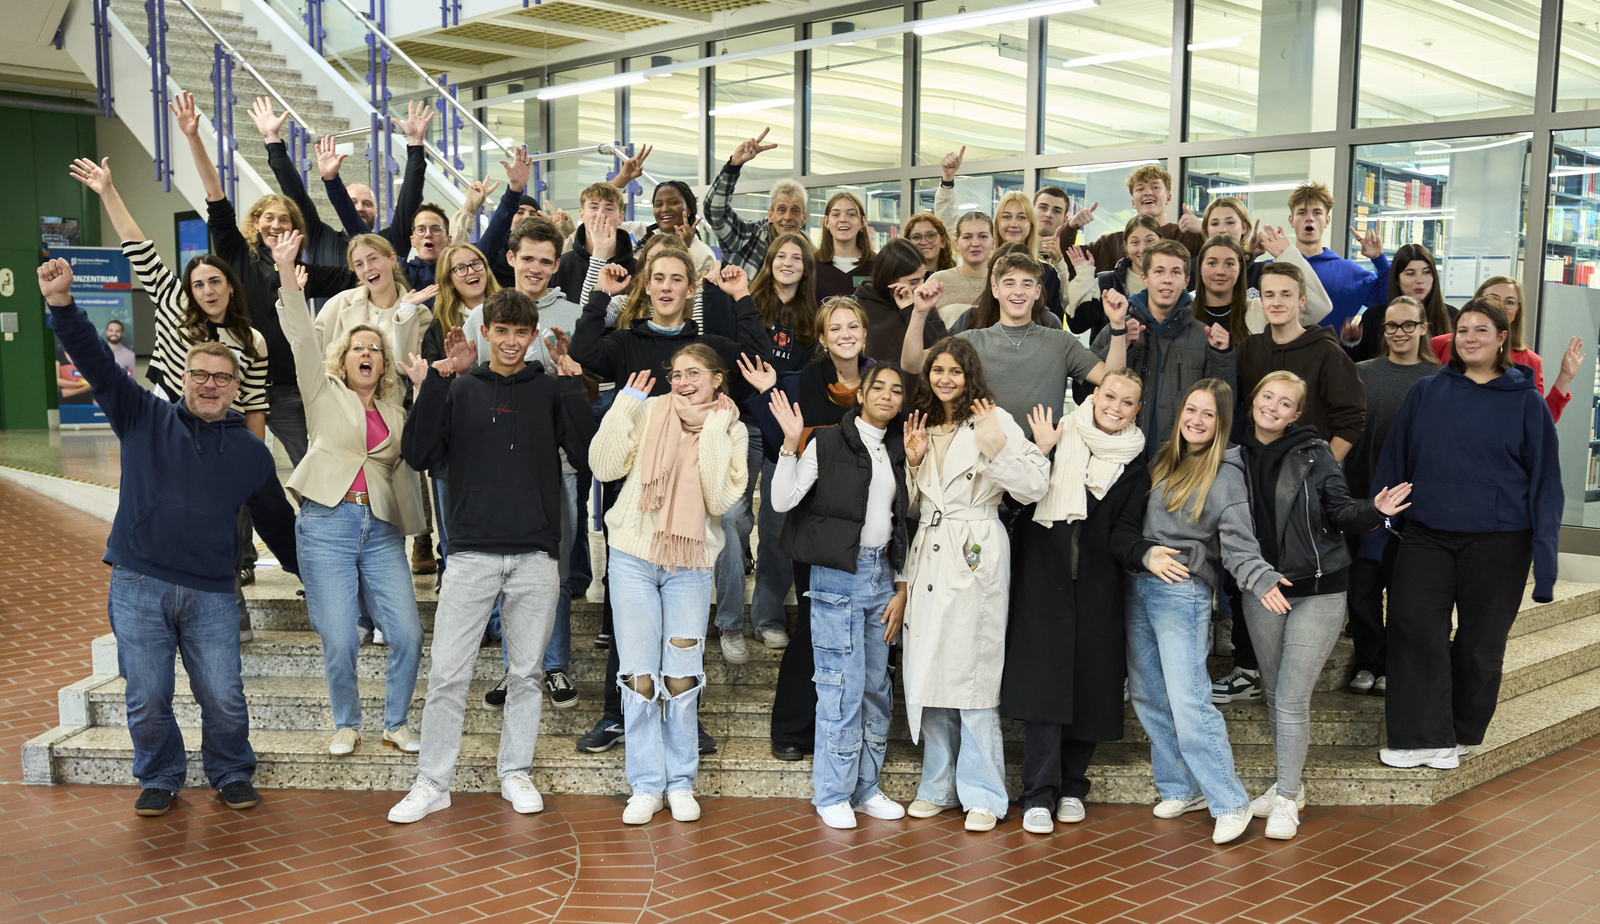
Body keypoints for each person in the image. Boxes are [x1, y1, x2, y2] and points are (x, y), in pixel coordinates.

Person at [38, 258, 300, 818]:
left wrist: (320, 579)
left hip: (211, 591)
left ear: (236, 387)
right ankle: (159, 776)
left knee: (225, 698)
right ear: (183, 377)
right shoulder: (143, 417)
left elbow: (278, 525)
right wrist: (62, 305)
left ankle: (230, 771)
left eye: (221, 378)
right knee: (147, 697)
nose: (210, 385)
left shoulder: (251, 453)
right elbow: (97, 364)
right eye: (200, 375)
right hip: (139, 581)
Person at [390, 287, 595, 824]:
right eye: (500, 331)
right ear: (485, 333)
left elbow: (586, 453)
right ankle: (433, 782)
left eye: (519, 332)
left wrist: (573, 382)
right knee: (447, 674)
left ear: (532, 338)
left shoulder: (551, 389)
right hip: (472, 553)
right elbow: (418, 453)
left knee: (526, 674)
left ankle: (515, 772)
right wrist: (438, 380)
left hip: (534, 554)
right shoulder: (459, 389)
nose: (509, 341)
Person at [570, 245, 766, 754]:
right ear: (645, 285)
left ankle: (685, 716)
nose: (665, 286)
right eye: (656, 277)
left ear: (689, 288)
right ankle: (617, 715)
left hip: (690, 509)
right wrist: (601, 298)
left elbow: (757, 358)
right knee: (625, 620)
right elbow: (583, 352)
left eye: (676, 278)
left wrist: (742, 298)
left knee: (682, 628)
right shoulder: (625, 340)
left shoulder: (707, 347)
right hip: (636, 500)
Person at [1374, 297, 1562, 771]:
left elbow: (1546, 484)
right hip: (1426, 534)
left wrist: (1546, 568)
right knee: (1413, 627)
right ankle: (1419, 739)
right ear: (1451, 339)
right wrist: (1379, 532)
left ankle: (1458, 732)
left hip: (1500, 542)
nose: (1471, 338)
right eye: (1462, 330)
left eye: (1482, 330)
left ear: (1503, 340)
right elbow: (1394, 463)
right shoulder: (1427, 392)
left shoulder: (1526, 402)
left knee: (1481, 643)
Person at [270, 230, 427, 757]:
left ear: (384, 364)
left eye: (375, 349)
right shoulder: (321, 390)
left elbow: (426, 445)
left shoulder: (395, 411)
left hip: (380, 529)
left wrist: (427, 386)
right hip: (326, 525)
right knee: (340, 638)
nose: (366, 353)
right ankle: (347, 722)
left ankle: (397, 722)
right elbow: (297, 337)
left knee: (406, 634)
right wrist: (287, 274)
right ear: (344, 356)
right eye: (358, 347)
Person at [1236, 370, 1409, 840]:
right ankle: (1286, 783)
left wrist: (1376, 511)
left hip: (1320, 587)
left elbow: (1341, 511)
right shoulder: (1231, 453)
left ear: (1296, 413)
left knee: (1291, 697)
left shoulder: (1314, 453)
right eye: (1266, 395)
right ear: (1254, 399)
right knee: (1274, 696)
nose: (1273, 406)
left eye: (1285, 402)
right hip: (1262, 589)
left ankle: (1288, 799)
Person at [1125, 377, 1288, 845]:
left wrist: (1260, 579)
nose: (1196, 420)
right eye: (1190, 411)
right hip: (1139, 588)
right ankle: (1182, 786)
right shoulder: (1162, 460)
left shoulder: (1225, 473)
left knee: (1190, 701)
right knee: (1149, 696)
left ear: (1221, 423)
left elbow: (1238, 545)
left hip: (1183, 594)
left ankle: (1229, 801)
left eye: (1208, 414)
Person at [589, 348, 749, 825]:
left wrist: (715, 429)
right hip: (634, 558)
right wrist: (624, 404)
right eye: (676, 374)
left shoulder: (732, 429)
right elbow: (603, 466)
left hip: (691, 564)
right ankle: (645, 783)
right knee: (639, 676)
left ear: (717, 379)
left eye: (694, 374)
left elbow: (719, 497)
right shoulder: (650, 410)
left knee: (680, 677)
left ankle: (680, 781)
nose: (682, 382)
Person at [900, 337, 1051, 832]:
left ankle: (984, 793)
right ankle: (938, 786)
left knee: (974, 675)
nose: (945, 379)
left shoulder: (993, 419)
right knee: (934, 674)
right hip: (931, 552)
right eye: (937, 370)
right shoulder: (922, 423)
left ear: (971, 376)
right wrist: (915, 463)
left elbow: (1034, 486)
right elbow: (914, 507)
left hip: (975, 549)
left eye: (955, 371)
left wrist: (994, 441)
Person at [173, 91, 355, 467]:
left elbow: (361, 275)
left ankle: (315, 528)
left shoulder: (301, 271)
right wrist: (193, 136)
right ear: (255, 223)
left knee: (314, 472)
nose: (275, 224)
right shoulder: (235, 254)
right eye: (268, 217)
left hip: (289, 390)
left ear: (296, 229)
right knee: (233, 477)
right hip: (235, 386)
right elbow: (214, 194)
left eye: (285, 220)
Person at [1002, 369, 1149, 834]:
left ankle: (1070, 786)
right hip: (1043, 582)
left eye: (1127, 402)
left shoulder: (1135, 463)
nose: (1115, 407)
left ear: (1137, 410)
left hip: (1098, 587)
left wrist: (1143, 554)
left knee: (1090, 687)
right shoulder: (1059, 433)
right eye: (1110, 396)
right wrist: (1039, 453)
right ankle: (1037, 795)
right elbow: (1013, 501)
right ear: (1094, 394)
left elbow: (1125, 530)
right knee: (1045, 690)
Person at [766, 363, 911, 829]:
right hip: (836, 577)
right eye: (878, 388)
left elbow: (904, 522)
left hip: (880, 576)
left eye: (896, 390)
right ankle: (831, 792)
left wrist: (901, 583)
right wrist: (791, 443)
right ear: (860, 394)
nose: (887, 395)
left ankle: (866, 788)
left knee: (876, 689)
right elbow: (782, 501)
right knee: (839, 689)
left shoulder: (898, 450)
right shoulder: (826, 442)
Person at [1221, 260, 1363, 703]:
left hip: (1305, 494)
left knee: (1297, 573)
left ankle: (1292, 678)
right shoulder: (1250, 350)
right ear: (1259, 301)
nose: (1277, 302)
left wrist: (1316, 475)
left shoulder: (1325, 351)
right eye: (1269, 295)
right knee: (1249, 571)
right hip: (1254, 485)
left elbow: (1351, 420)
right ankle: (1249, 668)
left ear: (1303, 300)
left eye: (1286, 294)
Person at [70, 156, 269, 438]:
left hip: (224, 430)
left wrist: (256, 457)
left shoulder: (253, 339)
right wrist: (108, 192)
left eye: (215, 282)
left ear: (231, 286)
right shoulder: (173, 298)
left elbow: (254, 404)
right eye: (198, 285)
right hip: (167, 421)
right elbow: (138, 248)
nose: (207, 291)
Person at [762, 299, 875, 761]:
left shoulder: (880, 378)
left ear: (865, 334)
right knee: (812, 625)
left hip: (866, 519)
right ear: (823, 339)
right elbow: (818, 439)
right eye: (835, 328)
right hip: (816, 517)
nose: (845, 334)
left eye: (853, 326)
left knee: (861, 630)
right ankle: (791, 727)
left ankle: (851, 729)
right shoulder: (811, 378)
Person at [719, 232, 820, 647]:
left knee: (778, 525)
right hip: (741, 424)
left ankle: (768, 616)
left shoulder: (814, 316)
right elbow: (740, 357)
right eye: (782, 255)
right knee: (732, 520)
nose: (789, 262)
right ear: (770, 261)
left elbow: (807, 379)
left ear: (806, 268)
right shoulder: (742, 300)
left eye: (797, 257)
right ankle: (728, 620)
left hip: (783, 428)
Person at [902, 249, 1128, 427]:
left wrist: (1117, 326)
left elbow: (1113, 379)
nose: (1018, 291)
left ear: (1037, 292)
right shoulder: (970, 341)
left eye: (1027, 284)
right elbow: (912, 364)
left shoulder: (1062, 342)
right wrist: (920, 312)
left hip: (1044, 459)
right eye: (1009, 283)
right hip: (983, 460)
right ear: (995, 289)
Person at [1343, 297, 1440, 696]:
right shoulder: (1360, 372)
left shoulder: (1441, 378)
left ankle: (1393, 666)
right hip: (1363, 497)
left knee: (1405, 594)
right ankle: (1368, 660)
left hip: (1415, 507)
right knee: (1361, 589)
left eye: (1408, 325)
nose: (1399, 333)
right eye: (1391, 326)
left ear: (1423, 328)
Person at [1089, 240, 1235, 457]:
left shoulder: (1204, 337)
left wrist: (1223, 355)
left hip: (1178, 459)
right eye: (1159, 271)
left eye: (1176, 272)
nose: (1167, 279)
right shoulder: (1117, 328)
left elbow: (1222, 406)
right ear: (1145, 278)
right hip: (1119, 456)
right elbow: (1091, 391)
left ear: (1186, 281)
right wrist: (1119, 344)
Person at [250, 98, 432, 268]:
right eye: (352, 202)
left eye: (367, 204)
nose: (360, 208)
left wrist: (416, 143)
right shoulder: (320, 237)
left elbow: (411, 197)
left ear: (377, 211)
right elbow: (294, 192)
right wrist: (272, 139)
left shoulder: (391, 241)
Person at [421, 241, 502, 583]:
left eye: (476, 263)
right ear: (448, 279)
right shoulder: (438, 327)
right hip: (453, 446)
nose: (471, 272)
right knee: (456, 533)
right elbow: (431, 394)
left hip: (502, 439)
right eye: (461, 268)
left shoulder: (508, 313)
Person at [1427, 275, 1583, 423]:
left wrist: (1565, 377)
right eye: (1493, 298)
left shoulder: (1530, 361)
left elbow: (1538, 422)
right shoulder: (1441, 345)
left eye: (1510, 302)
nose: (1499, 306)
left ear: (1517, 311)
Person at [1060, 163, 1206, 274]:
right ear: (1132, 202)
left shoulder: (1188, 237)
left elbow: (1224, 254)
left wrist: (1204, 229)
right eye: (1140, 189)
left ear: (1168, 198)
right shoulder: (1110, 243)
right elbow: (1065, 259)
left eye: (1155, 187)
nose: (1148, 192)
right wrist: (1071, 227)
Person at [1283, 182, 1389, 334]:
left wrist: (1380, 260)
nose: (1309, 218)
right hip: (1279, 356)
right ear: (1291, 220)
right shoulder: (1274, 269)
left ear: (1327, 221)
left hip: (1332, 356)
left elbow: (1389, 301)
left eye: (1317, 213)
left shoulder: (1350, 273)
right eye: (1302, 212)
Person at [1190, 229, 1333, 338]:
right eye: (1212, 263)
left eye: (1229, 263)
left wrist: (1289, 256)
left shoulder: (1261, 311)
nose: (1220, 271)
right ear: (1200, 267)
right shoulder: (1184, 313)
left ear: (1240, 268)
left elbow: (1319, 307)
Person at [704, 127, 808, 276]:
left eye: (795, 210)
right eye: (781, 209)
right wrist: (734, 165)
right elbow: (714, 211)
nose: (788, 217)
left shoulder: (810, 253)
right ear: (770, 214)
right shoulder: (748, 237)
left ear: (804, 218)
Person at [1345, 243, 1451, 364]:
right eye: (1410, 273)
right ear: (1397, 279)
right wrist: (1351, 341)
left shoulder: (1451, 315)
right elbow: (1358, 365)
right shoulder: (1374, 316)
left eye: (1426, 272)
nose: (1420, 280)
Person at [1063, 216, 1160, 337]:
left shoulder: (1169, 283)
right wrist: (1084, 276)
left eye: (1150, 241)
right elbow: (1077, 326)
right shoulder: (1105, 282)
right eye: (1135, 242)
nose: (1142, 249)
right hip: (1108, 354)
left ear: (1161, 242)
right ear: (1126, 246)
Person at [856, 238, 947, 361]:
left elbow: (940, 349)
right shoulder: (860, 307)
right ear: (890, 280)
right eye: (914, 281)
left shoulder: (922, 302)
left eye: (923, 278)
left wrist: (912, 312)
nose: (921, 286)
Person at [553, 183, 637, 307]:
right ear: (582, 215)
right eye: (593, 207)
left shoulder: (637, 268)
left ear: (620, 217)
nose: (601, 214)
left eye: (609, 208)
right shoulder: (562, 265)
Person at [928, 212, 994, 328]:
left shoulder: (1004, 282)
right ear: (957, 244)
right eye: (967, 237)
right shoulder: (937, 281)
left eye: (982, 236)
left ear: (993, 242)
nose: (975, 243)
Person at [814, 191, 878, 300]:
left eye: (851, 214)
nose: (843, 219)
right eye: (836, 215)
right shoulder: (811, 264)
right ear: (826, 221)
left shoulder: (878, 265)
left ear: (863, 222)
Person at [903, 212, 956, 278]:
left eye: (931, 235)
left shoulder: (955, 278)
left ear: (943, 241)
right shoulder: (900, 280)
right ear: (908, 244)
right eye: (916, 237)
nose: (923, 242)